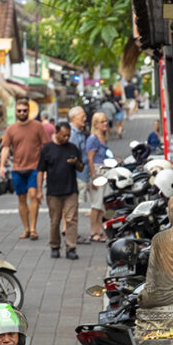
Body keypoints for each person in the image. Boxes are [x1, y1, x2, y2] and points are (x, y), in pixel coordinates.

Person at [0, 98, 50, 240]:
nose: (22, 113)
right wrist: (2, 166)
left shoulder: (38, 126)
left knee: (33, 196)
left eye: (24, 110)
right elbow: (5, 147)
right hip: (17, 169)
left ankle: (33, 228)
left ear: (29, 111)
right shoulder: (11, 128)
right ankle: (26, 229)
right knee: (21, 199)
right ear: (16, 111)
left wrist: (45, 168)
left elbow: (45, 147)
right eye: (19, 111)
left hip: (34, 167)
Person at [37, 122, 84, 260]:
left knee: (71, 220)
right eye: (64, 135)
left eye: (69, 135)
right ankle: (55, 246)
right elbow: (40, 170)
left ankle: (71, 248)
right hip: (53, 191)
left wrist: (76, 162)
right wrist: (39, 190)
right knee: (55, 220)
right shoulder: (47, 149)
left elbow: (81, 168)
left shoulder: (73, 148)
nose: (67, 138)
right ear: (56, 132)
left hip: (71, 190)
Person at [69, 106, 99, 246]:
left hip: (81, 173)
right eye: (83, 117)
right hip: (77, 174)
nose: (85, 119)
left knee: (74, 206)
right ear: (74, 118)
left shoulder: (79, 132)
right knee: (73, 206)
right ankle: (71, 233)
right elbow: (73, 155)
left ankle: (69, 231)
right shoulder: (73, 134)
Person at [85, 112, 114, 243]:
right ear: (95, 124)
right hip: (98, 172)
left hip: (106, 172)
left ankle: (100, 230)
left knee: (103, 203)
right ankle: (93, 231)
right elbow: (90, 159)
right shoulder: (93, 139)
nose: (105, 124)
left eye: (106, 121)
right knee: (96, 204)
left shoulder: (103, 137)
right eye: (102, 122)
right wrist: (94, 177)